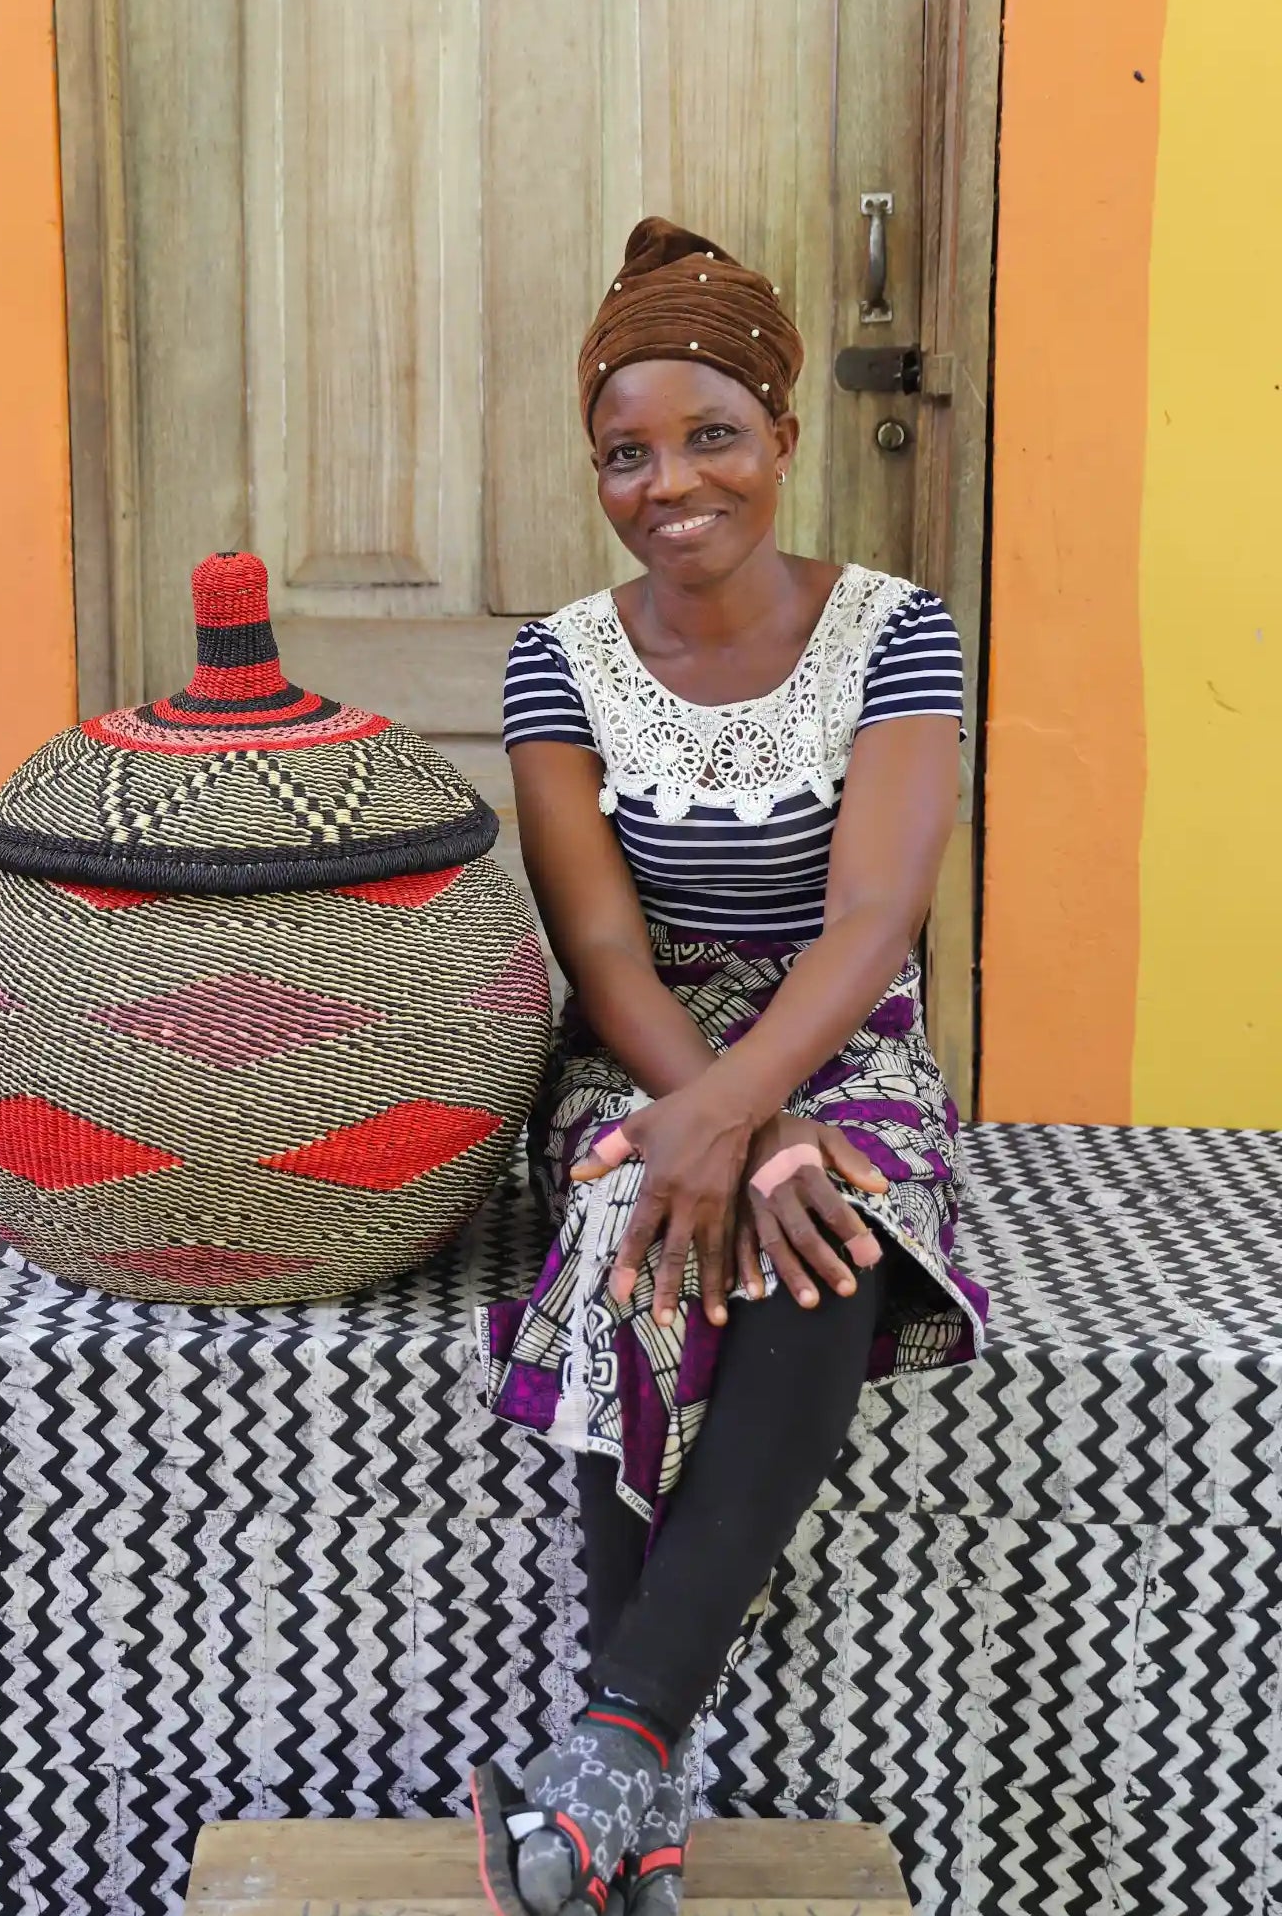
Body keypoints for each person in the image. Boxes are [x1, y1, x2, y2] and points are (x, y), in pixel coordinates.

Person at [467, 218, 990, 1916]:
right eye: (626, 454)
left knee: (826, 1225)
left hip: (843, 1029)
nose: (669, 483)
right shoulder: (558, 659)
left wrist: (754, 1120)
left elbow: (875, 918)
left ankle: (614, 1754)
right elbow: (604, 949)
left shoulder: (896, 631)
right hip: (644, 1037)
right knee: (638, 1233)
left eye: (710, 436)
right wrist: (698, 1120)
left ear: (784, 435)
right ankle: (635, 1784)